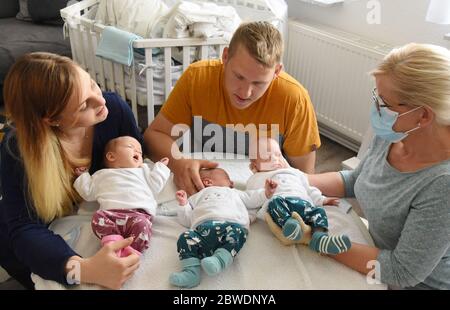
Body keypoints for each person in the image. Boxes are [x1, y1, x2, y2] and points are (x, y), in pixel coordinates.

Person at [309, 43, 450, 289]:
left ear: (424, 116)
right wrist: (294, 178)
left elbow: (401, 270)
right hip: (375, 251)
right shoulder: (395, 133)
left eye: (384, 103)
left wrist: (317, 239)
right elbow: (358, 180)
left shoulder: (442, 184)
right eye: (376, 97)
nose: (376, 110)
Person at [0, 52, 143, 290]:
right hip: (29, 243)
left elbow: (138, 163)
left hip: (93, 221)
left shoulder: (114, 110)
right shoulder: (18, 150)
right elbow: (25, 230)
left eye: (93, 85)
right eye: (83, 105)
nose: (100, 101)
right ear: (52, 120)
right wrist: (83, 269)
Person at [145, 21, 321, 195]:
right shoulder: (196, 79)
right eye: (238, 76)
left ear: (276, 72)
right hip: (210, 193)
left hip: (265, 195)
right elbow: (154, 136)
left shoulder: (295, 99)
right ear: (225, 56)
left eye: (259, 83)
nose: (245, 92)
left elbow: (304, 177)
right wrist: (179, 163)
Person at [169, 167, 276, 288]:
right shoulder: (197, 196)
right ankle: (191, 273)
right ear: (208, 182)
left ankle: (218, 261)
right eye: (228, 180)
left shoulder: (235, 193)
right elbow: (187, 220)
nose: (232, 183)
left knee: (237, 233)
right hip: (202, 232)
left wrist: (266, 193)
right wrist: (183, 205)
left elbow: (253, 199)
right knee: (185, 237)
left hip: (230, 227)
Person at [247, 137, 351, 254]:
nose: (275, 160)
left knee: (318, 212)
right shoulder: (256, 178)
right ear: (255, 166)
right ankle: (290, 225)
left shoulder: (295, 172)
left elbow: (308, 188)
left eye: (278, 155)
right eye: (268, 158)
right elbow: (252, 198)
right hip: (281, 203)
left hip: (302, 203)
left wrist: (322, 200)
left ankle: (320, 238)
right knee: (274, 204)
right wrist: (249, 216)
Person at [73, 136, 171, 257]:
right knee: (97, 218)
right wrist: (83, 176)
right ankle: (112, 242)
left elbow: (156, 185)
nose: (137, 152)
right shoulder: (101, 175)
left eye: (140, 152)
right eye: (131, 147)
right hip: (110, 215)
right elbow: (88, 193)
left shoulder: (143, 171)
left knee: (142, 226)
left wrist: (160, 168)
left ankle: (131, 251)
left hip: (138, 214)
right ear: (111, 156)